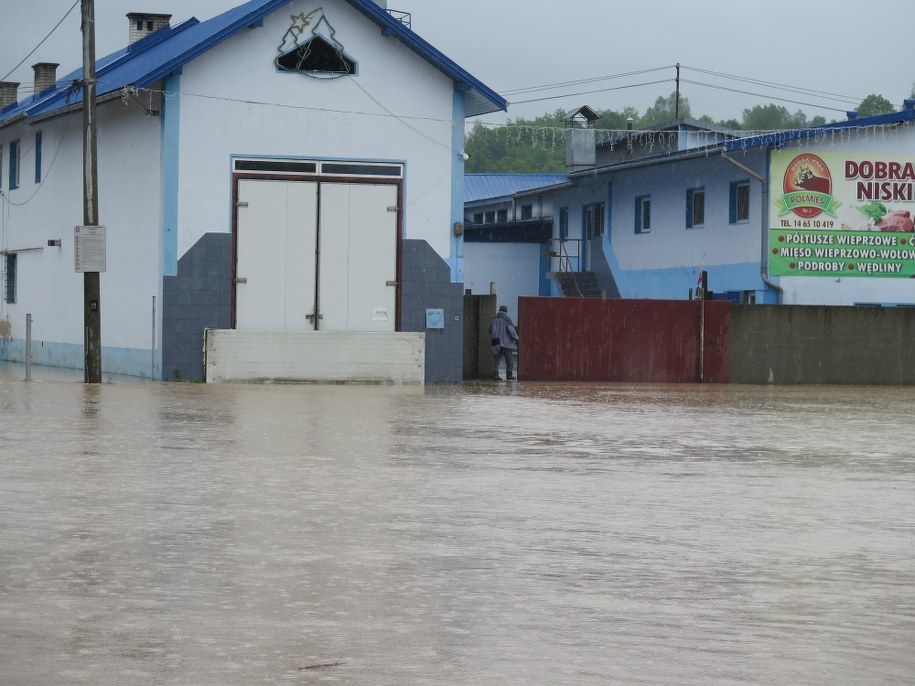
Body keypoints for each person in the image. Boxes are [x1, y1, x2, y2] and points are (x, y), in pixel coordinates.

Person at [489, 305, 519, 380]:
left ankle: (495, 375)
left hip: (495, 341)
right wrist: (516, 339)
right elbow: (512, 331)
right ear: (506, 311)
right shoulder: (507, 319)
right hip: (505, 342)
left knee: (497, 359)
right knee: (509, 359)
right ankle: (509, 375)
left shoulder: (493, 319)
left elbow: (490, 330)